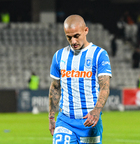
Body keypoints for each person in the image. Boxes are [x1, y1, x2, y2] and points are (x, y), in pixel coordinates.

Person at [48, 15, 112, 144]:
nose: (73, 41)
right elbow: (55, 87)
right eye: (69, 37)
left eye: (76, 36)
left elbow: (105, 87)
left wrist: (96, 111)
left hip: (90, 121)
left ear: (86, 31)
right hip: (65, 120)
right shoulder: (59, 56)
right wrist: (51, 116)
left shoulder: (99, 54)